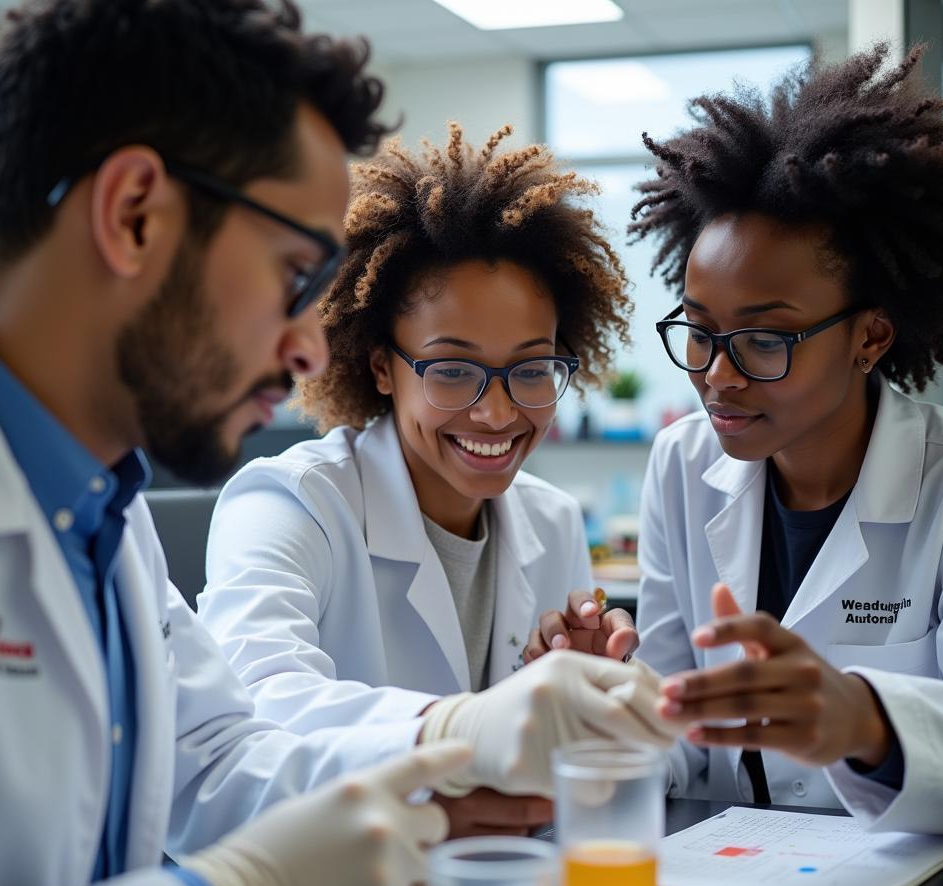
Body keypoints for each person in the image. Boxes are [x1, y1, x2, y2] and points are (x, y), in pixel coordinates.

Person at [0, 2, 674, 886]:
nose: (305, 350)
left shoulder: (101, 516)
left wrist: (457, 771)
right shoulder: (256, 497)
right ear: (133, 215)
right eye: (297, 274)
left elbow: (216, 758)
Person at [527, 44, 943, 836]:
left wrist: (866, 721)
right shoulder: (682, 461)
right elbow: (681, 740)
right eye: (699, 333)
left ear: (870, 338)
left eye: (765, 341)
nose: (718, 377)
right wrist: (613, 701)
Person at [198, 124, 649, 837]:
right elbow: (258, 702)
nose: (497, 411)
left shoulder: (552, 520)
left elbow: (559, 791)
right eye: (452, 369)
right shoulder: (289, 504)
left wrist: (586, 701)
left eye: (531, 369)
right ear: (382, 366)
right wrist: (467, 727)